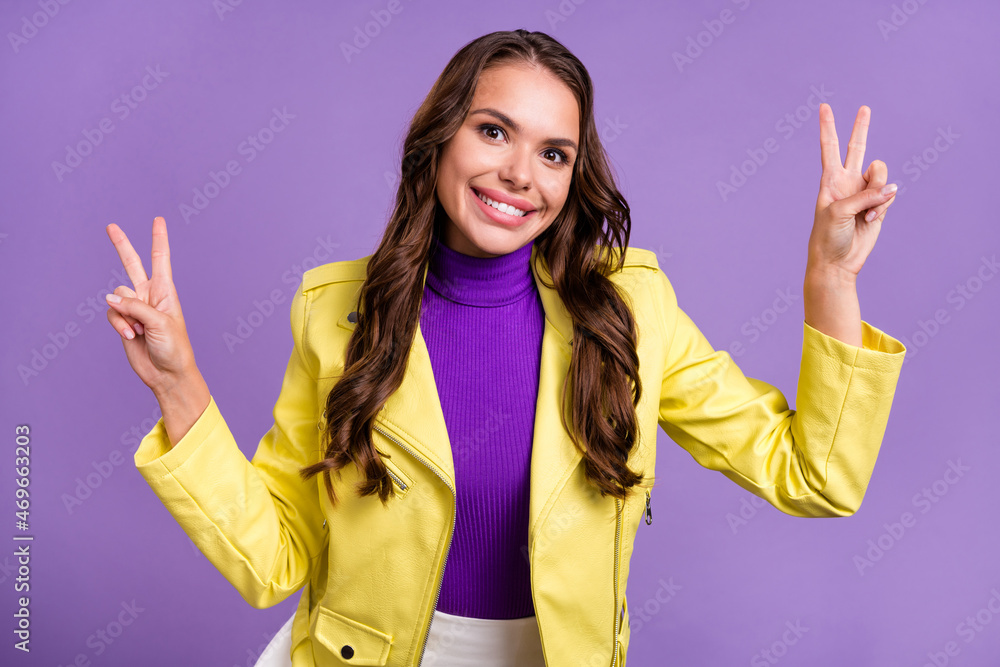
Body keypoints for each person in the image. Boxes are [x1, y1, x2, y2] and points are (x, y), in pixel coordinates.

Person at [104, 29, 905, 667]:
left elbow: (817, 474)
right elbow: (273, 557)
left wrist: (829, 273)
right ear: (441, 139)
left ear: (572, 177)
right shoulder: (334, 312)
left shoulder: (632, 310)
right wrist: (180, 385)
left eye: (554, 153)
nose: (521, 174)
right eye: (494, 131)